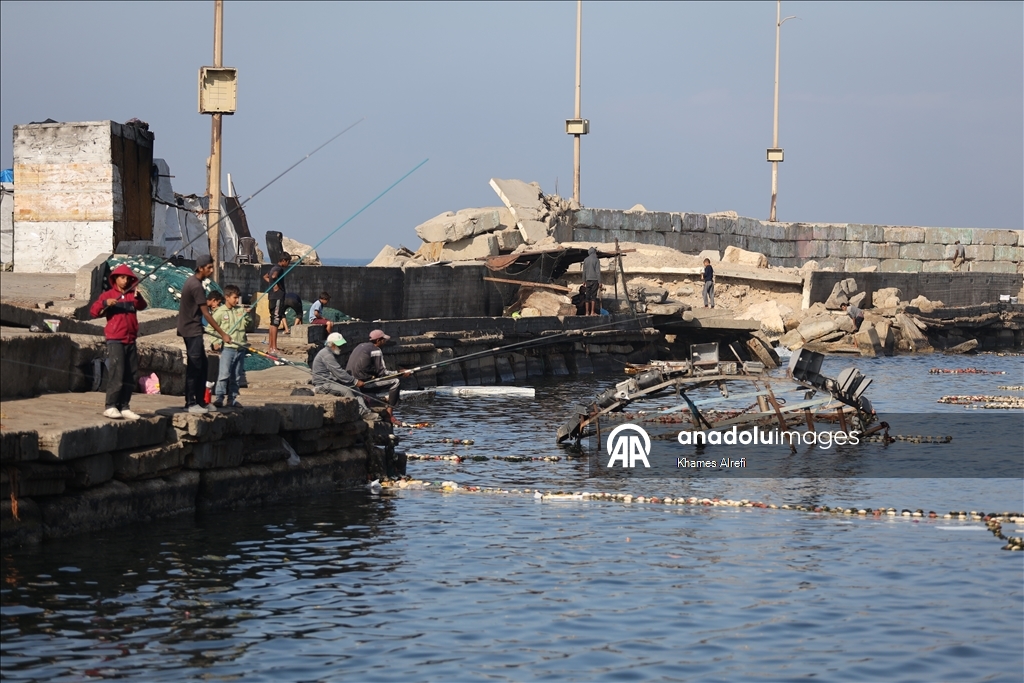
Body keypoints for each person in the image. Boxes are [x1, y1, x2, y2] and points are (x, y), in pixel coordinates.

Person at [90, 263, 148, 420]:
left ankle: (124, 406)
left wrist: (138, 297)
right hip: (115, 339)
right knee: (117, 372)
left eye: (128, 278)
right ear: (115, 278)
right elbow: (94, 312)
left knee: (131, 373)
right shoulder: (108, 295)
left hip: (131, 339)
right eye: (122, 278)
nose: (125, 281)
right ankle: (110, 405)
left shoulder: (132, 295)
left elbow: (142, 306)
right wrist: (105, 303)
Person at [177, 254, 231, 414]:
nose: (211, 270)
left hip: (194, 328)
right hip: (191, 330)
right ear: (200, 268)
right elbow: (206, 313)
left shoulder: (194, 282)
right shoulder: (196, 286)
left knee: (203, 365)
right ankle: (190, 402)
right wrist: (222, 334)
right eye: (209, 267)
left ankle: (201, 401)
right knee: (194, 367)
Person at [346, 329, 411, 424]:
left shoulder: (360, 346)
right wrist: (400, 373)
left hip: (351, 382)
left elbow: (368, 368)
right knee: (396, 382)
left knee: (377, 381)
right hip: (362, 385)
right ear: (378, 340)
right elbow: (383, 373)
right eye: (383, 340)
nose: (385, 341)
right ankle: (389, 415)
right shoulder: (376, 350)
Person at [206, 284, 251, 408]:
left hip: (240, 348)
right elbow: (210, 329)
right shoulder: (220, 312)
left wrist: (247, 316)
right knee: (224, 375)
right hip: (228, 349)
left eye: (237, 298)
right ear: (227, 297)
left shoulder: (240, 310)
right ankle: (219, 398)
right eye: (235, 298)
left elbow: (248, 324)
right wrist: (215, 341)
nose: (237, 300)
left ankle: (232, 399)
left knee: (236, 376)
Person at [310, 332, 372, 418]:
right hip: (323, 384)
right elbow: (339, 372)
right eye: (339, 345)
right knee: (347, 391)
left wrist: (353, 382)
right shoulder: (326, 354)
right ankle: (358, 413)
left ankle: (365, 411)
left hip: (332, 382)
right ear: (331, 345)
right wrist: (355, 381)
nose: (341, 348)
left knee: (355, 388)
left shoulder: (330, 353)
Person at [263, 252, 290, 354]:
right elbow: (274, 276)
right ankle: (274, 347)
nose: (288, 264)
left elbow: (266, 276)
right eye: (288, 262)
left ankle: (271, 347)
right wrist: (276, 285)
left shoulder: (273, 268)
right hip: (277, 298)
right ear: (283, 261)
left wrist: (272, 283)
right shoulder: (279, 269)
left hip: (272, 298)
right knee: (275, 322)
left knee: (273, 322)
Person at [582, 246, 601, 315]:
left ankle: (587, 312)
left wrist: (583, 280)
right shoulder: (596, 260)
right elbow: (598, 272)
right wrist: (600, 281)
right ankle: (592, 312)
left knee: (587, 296)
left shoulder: (585, 260)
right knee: (593, 296)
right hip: (595, 279)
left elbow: (584, 271)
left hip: (588, 280)